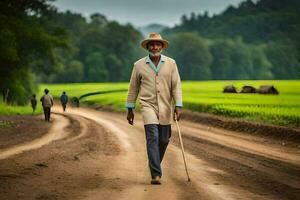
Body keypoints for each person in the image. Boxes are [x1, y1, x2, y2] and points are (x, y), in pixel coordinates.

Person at [126, 33, 183, 185]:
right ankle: (156, 174)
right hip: (147, 105)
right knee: (152, 137)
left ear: (162, 47)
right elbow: (133, 88)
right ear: (147, 47)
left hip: (165, 106)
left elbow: (176, 85)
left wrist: (178, 105)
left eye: (158, 44)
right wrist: (130, 108)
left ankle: (154, 162)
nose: (154, 47)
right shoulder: (138, 65)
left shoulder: (171, 63)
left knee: (164, 139)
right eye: (151, 44)